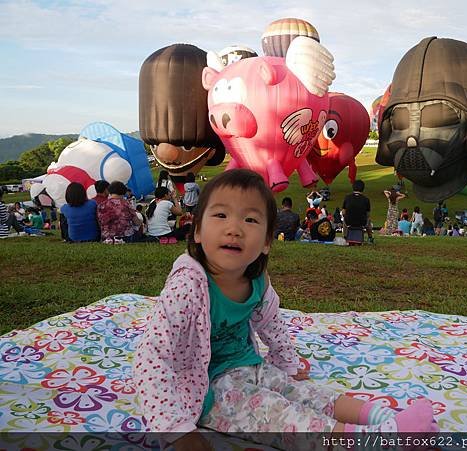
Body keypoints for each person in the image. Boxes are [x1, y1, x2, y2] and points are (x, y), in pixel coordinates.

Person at [133, 169, 437, 451]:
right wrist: (175, 427)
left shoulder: (256, 280)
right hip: (206, 390)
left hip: (251, 366)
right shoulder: (188, 287)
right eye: (221, 215)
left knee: (307, 394)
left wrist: (287, 363)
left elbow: (272, 325)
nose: (234, 228)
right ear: (197, 231)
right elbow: (151, 355)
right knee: (277, 412)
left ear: (266, 242)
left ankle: (384, 416)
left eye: (250, 220)